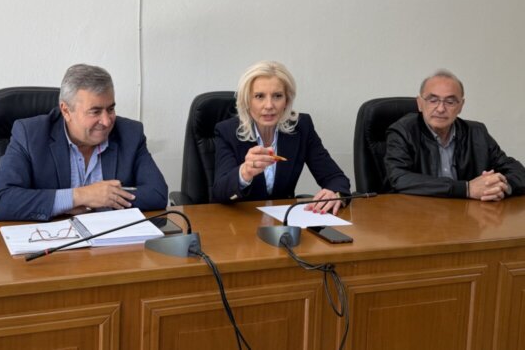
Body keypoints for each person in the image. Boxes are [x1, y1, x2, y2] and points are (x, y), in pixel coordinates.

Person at [0, 64, 168, 221]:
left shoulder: (130, 133)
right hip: (54, 241)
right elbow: (2, 201)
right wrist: (79, 196)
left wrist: (102, 199)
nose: (106, 121)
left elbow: (157, 194)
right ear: (66, 111)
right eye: (95, 111)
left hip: (111, 243)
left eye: (110, 109)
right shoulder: (30, 134)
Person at [212, 61, 351, 215]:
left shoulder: (301, 128)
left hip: (284, 222)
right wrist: (244, 172)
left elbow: (336, 178)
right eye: (259, 96)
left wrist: (335, 193)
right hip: (240, 221)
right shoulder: (227, 132)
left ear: (287, 100)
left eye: (277, 96)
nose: (269, 105)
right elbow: (219, 193)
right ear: (247, 101)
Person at [385, 69, 525, 200]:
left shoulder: (477, 133)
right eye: (433, 100)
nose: (441, 109)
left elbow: (518, 172)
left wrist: (500, 187)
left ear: (461, 106)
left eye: (450, 102)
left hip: (466, 213)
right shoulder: (403, 131)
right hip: (417, 212)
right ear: (420, 103)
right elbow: (399, 178)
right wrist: (466, 189)